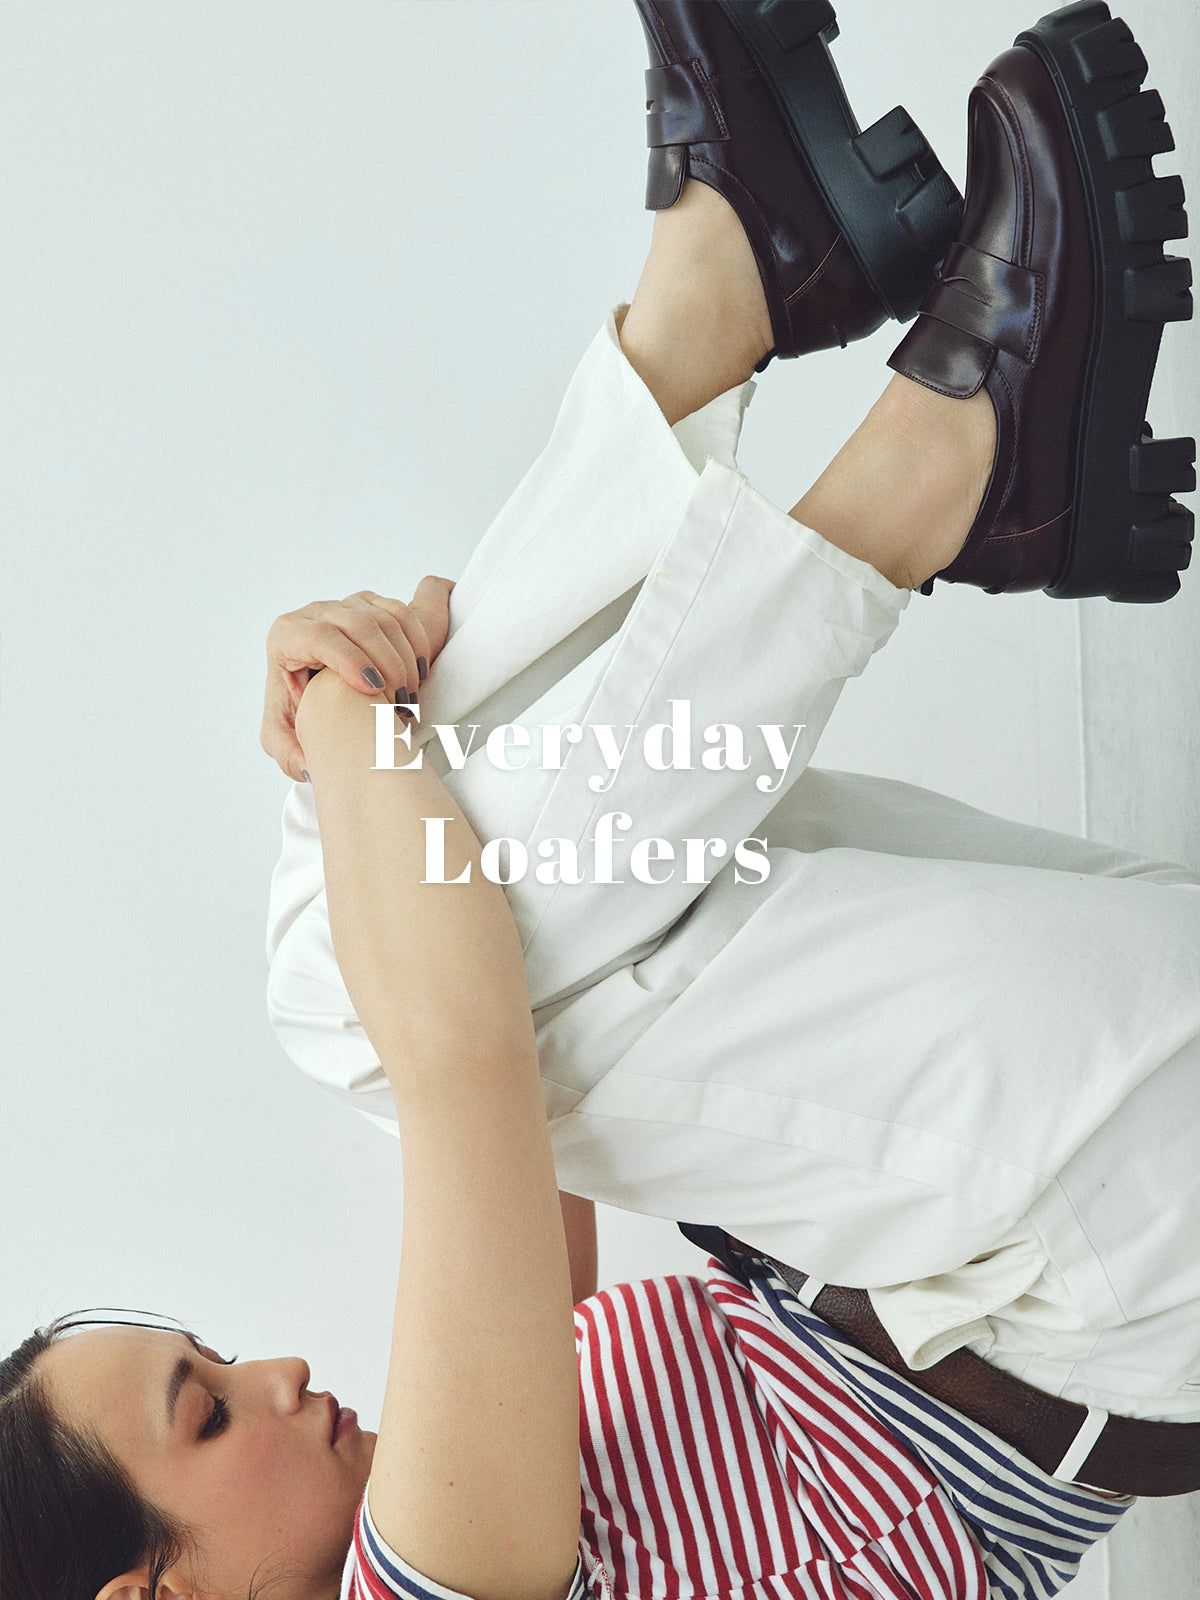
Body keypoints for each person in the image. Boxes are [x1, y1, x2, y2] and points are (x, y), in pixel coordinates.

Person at [3, 4, 1197, 1600]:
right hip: (1108, 1256)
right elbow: (470, 1063)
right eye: (207, 1412)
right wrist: (344, 726)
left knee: (442, 904)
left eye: (216, 1360)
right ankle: (821, 365)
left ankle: (802, 341)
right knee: (350, 990)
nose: (277, 1369)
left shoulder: (445, 1530)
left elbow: (521, 1137)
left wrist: (410, 761)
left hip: (1035, 1228)